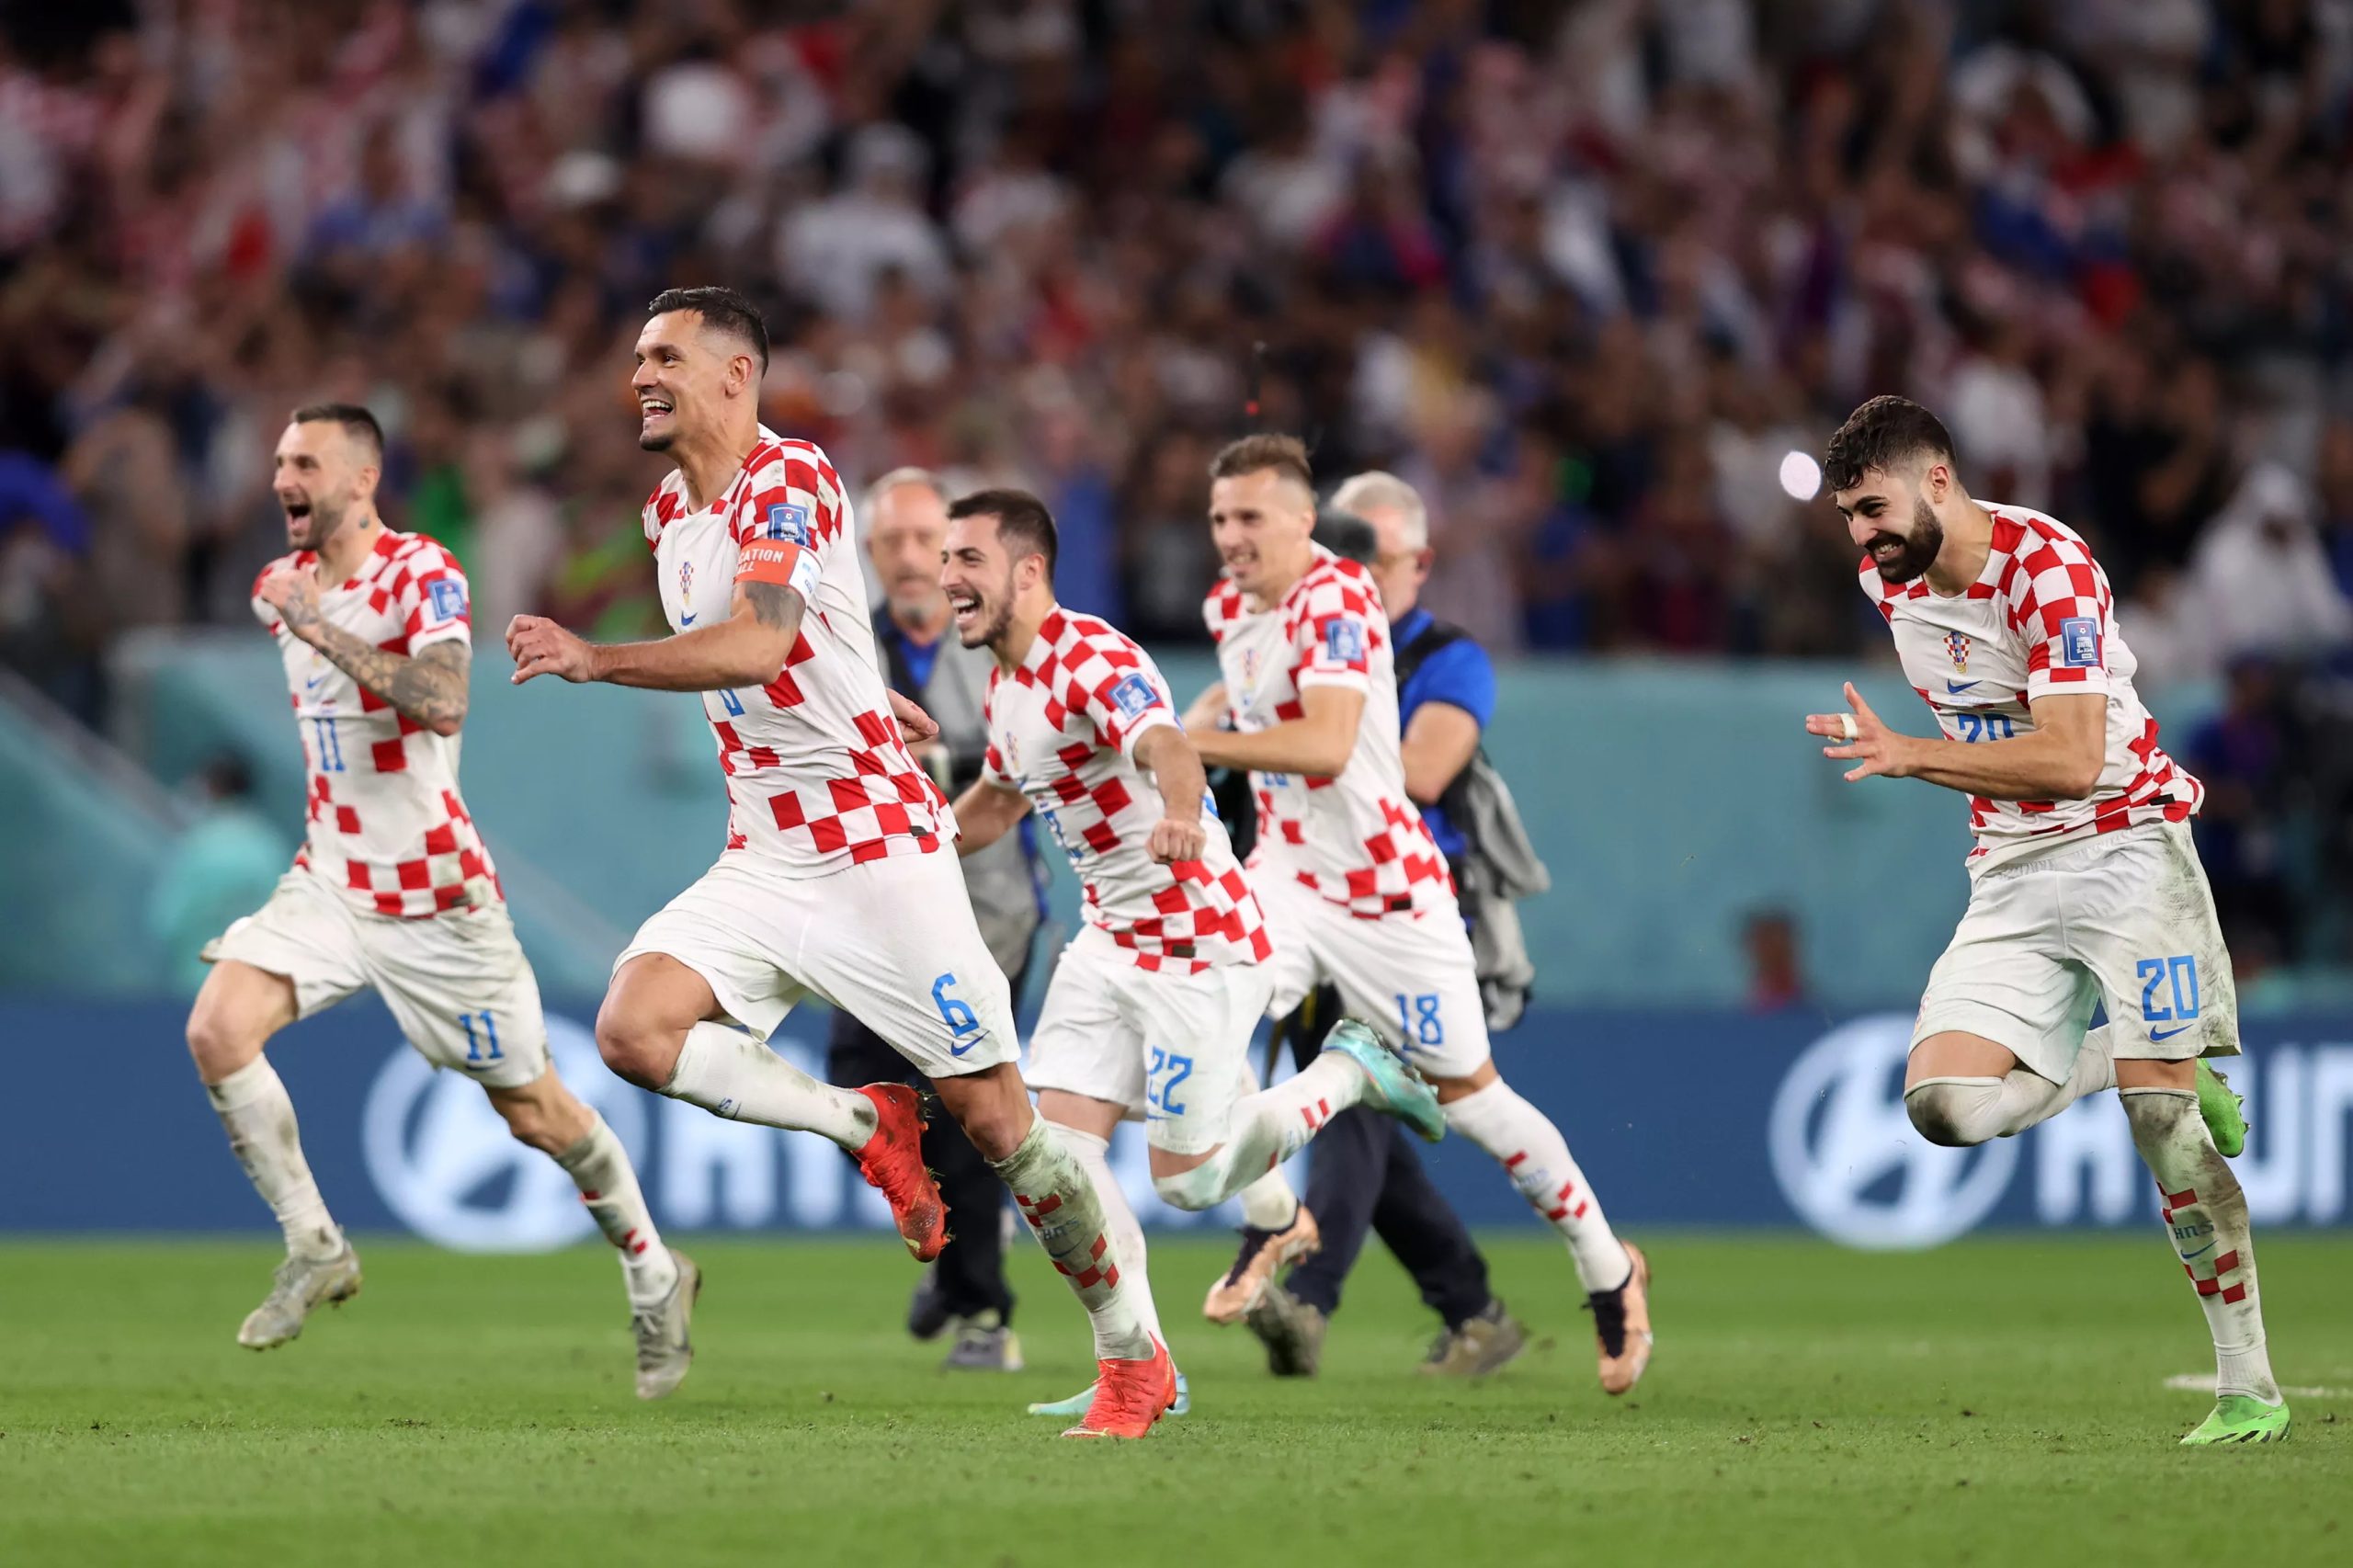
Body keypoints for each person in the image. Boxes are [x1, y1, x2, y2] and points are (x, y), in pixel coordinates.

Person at [505, 287, 1175, 1438]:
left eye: (666, 354)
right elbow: (813, 634)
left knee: (1002, 1124)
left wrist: (593, 657)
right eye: (634, 355)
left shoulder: (794, 475)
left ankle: (1134, 1358)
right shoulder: (671, 513)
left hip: (879, 854)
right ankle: (864, 1125)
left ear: (736, 375)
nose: (641, 374)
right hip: (766, 853)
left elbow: (763, 641)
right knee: (633, 1027)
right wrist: (868, 694)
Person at [188, 404, 697, 1398]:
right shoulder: (275, 585)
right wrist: (300, 610)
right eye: (278, 459)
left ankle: (652, 1266)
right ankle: (316, 1244)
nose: (283, 476)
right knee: (217, 1028)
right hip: (331, 878)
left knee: (537, 1113)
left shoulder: (422, 572)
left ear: (360, 478)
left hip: (435, 893)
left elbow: (445, 700)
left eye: (305, 461)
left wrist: (316, 624)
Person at [1808, 394, 2285, 1447]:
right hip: (2012, 871)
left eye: (1873, 507)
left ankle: (2246, 1381)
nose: (1862, 536)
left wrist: (1905, 752)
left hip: (2124, 849)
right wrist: (1918, 753)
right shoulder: (1886, 580)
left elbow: (2071, 760)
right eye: (1848, 516)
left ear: (1938, 479)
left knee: (2163, 1125)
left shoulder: (2046, 567)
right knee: (1943, 1106)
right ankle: (2116, 1047)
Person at [936, 487, 1440, 1423]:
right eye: (945, 561)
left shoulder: (1089, 653)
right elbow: (1000, 802)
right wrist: (911, 839)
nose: (948, 579)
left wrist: (1178, 809)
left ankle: (1347, 1069)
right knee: (1057, 1162)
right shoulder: (1008, 687)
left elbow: (1165, 739)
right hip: (1108, 940)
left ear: (1029, 569)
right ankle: (1138, 1361)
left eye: (969, 559)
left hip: (1197, 938)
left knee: (1193, 1181)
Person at [1185, 433, 1653, 1396]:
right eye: (1219, 517)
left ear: (1306, 524)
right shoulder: (1227, 604)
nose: (1230, 537)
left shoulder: (1345, 599)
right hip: (1286, 881)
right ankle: (1274, 1218)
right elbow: (1225, 711)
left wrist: (1201, 744)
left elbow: (1324, 743)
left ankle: (1608, 1267)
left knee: (1477, 1104)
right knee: (1193, 995)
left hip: (1392, 897)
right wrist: (1185, 741)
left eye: (1250, 518)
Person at [1235, 473, 1529, 1377]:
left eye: (1376, 556)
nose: (1351, 570)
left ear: (1419, 564)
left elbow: (1424, 773)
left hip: (1407, 914)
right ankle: (1474, 1310)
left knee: (1351, 1100)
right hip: (1304, 903)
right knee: (1358, 1118)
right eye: (1339, 549)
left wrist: (1308, 739)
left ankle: (1298, 1292)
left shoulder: (1446, 657)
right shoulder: (1281, 632)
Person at [835, 467, 1046, 1370]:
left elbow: (1032, 761)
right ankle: (960, 1279)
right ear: (871, 555)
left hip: (986, 906)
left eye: (932, 540)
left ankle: (985, 1313)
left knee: (965, 1104)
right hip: (874, 909)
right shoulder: (843, 641)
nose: (914, 559)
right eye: (893, 542)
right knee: (859, 1085)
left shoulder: (993, 637)